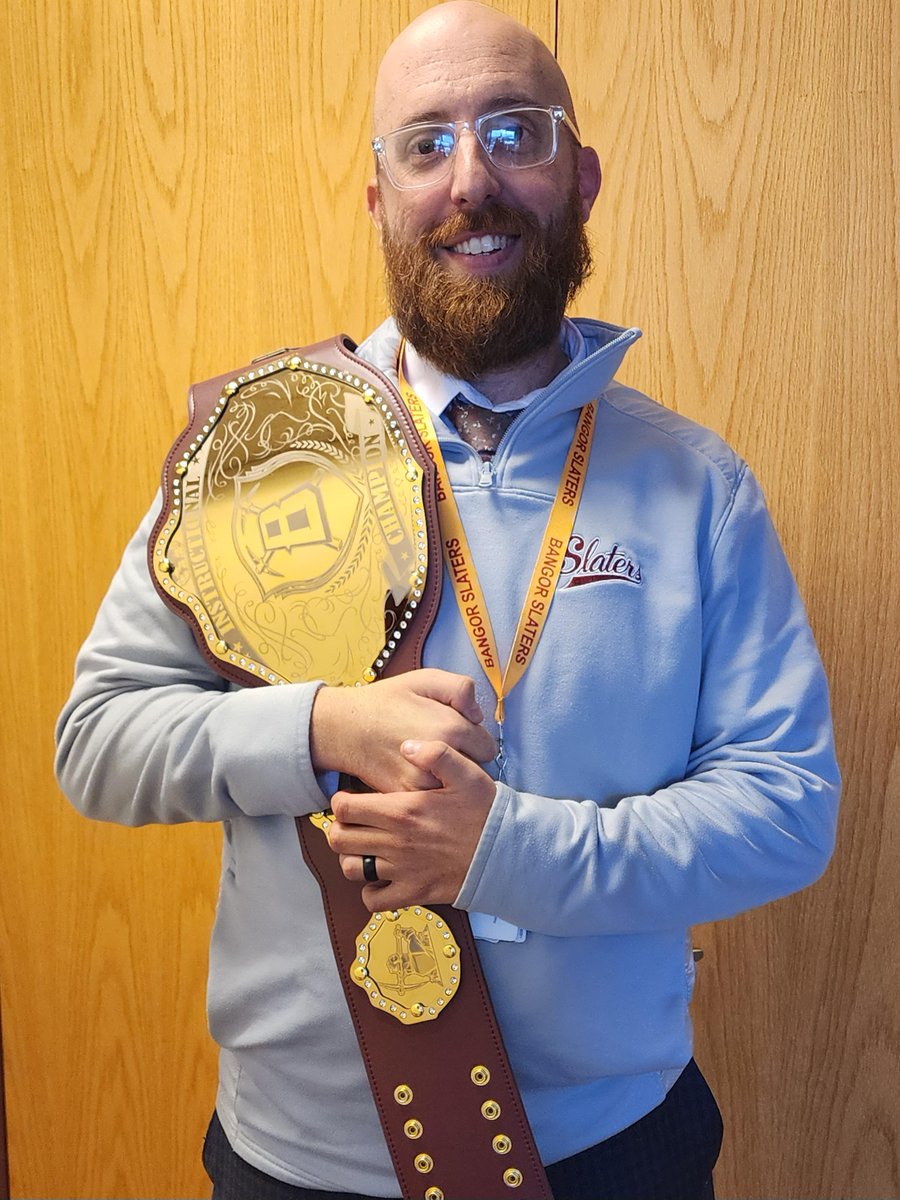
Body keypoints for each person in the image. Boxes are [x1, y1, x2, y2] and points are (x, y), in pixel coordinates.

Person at [55, 3, 840, 1198]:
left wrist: (504, 853)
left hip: (614, 1152)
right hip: (298, 1163)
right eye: (425, 144)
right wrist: (318, 729)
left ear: (581, 178)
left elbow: (785, 809)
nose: (470, 179)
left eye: (514, 134)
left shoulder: (698, 490)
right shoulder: (262, 450)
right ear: (378, 196)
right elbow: (97, 741)